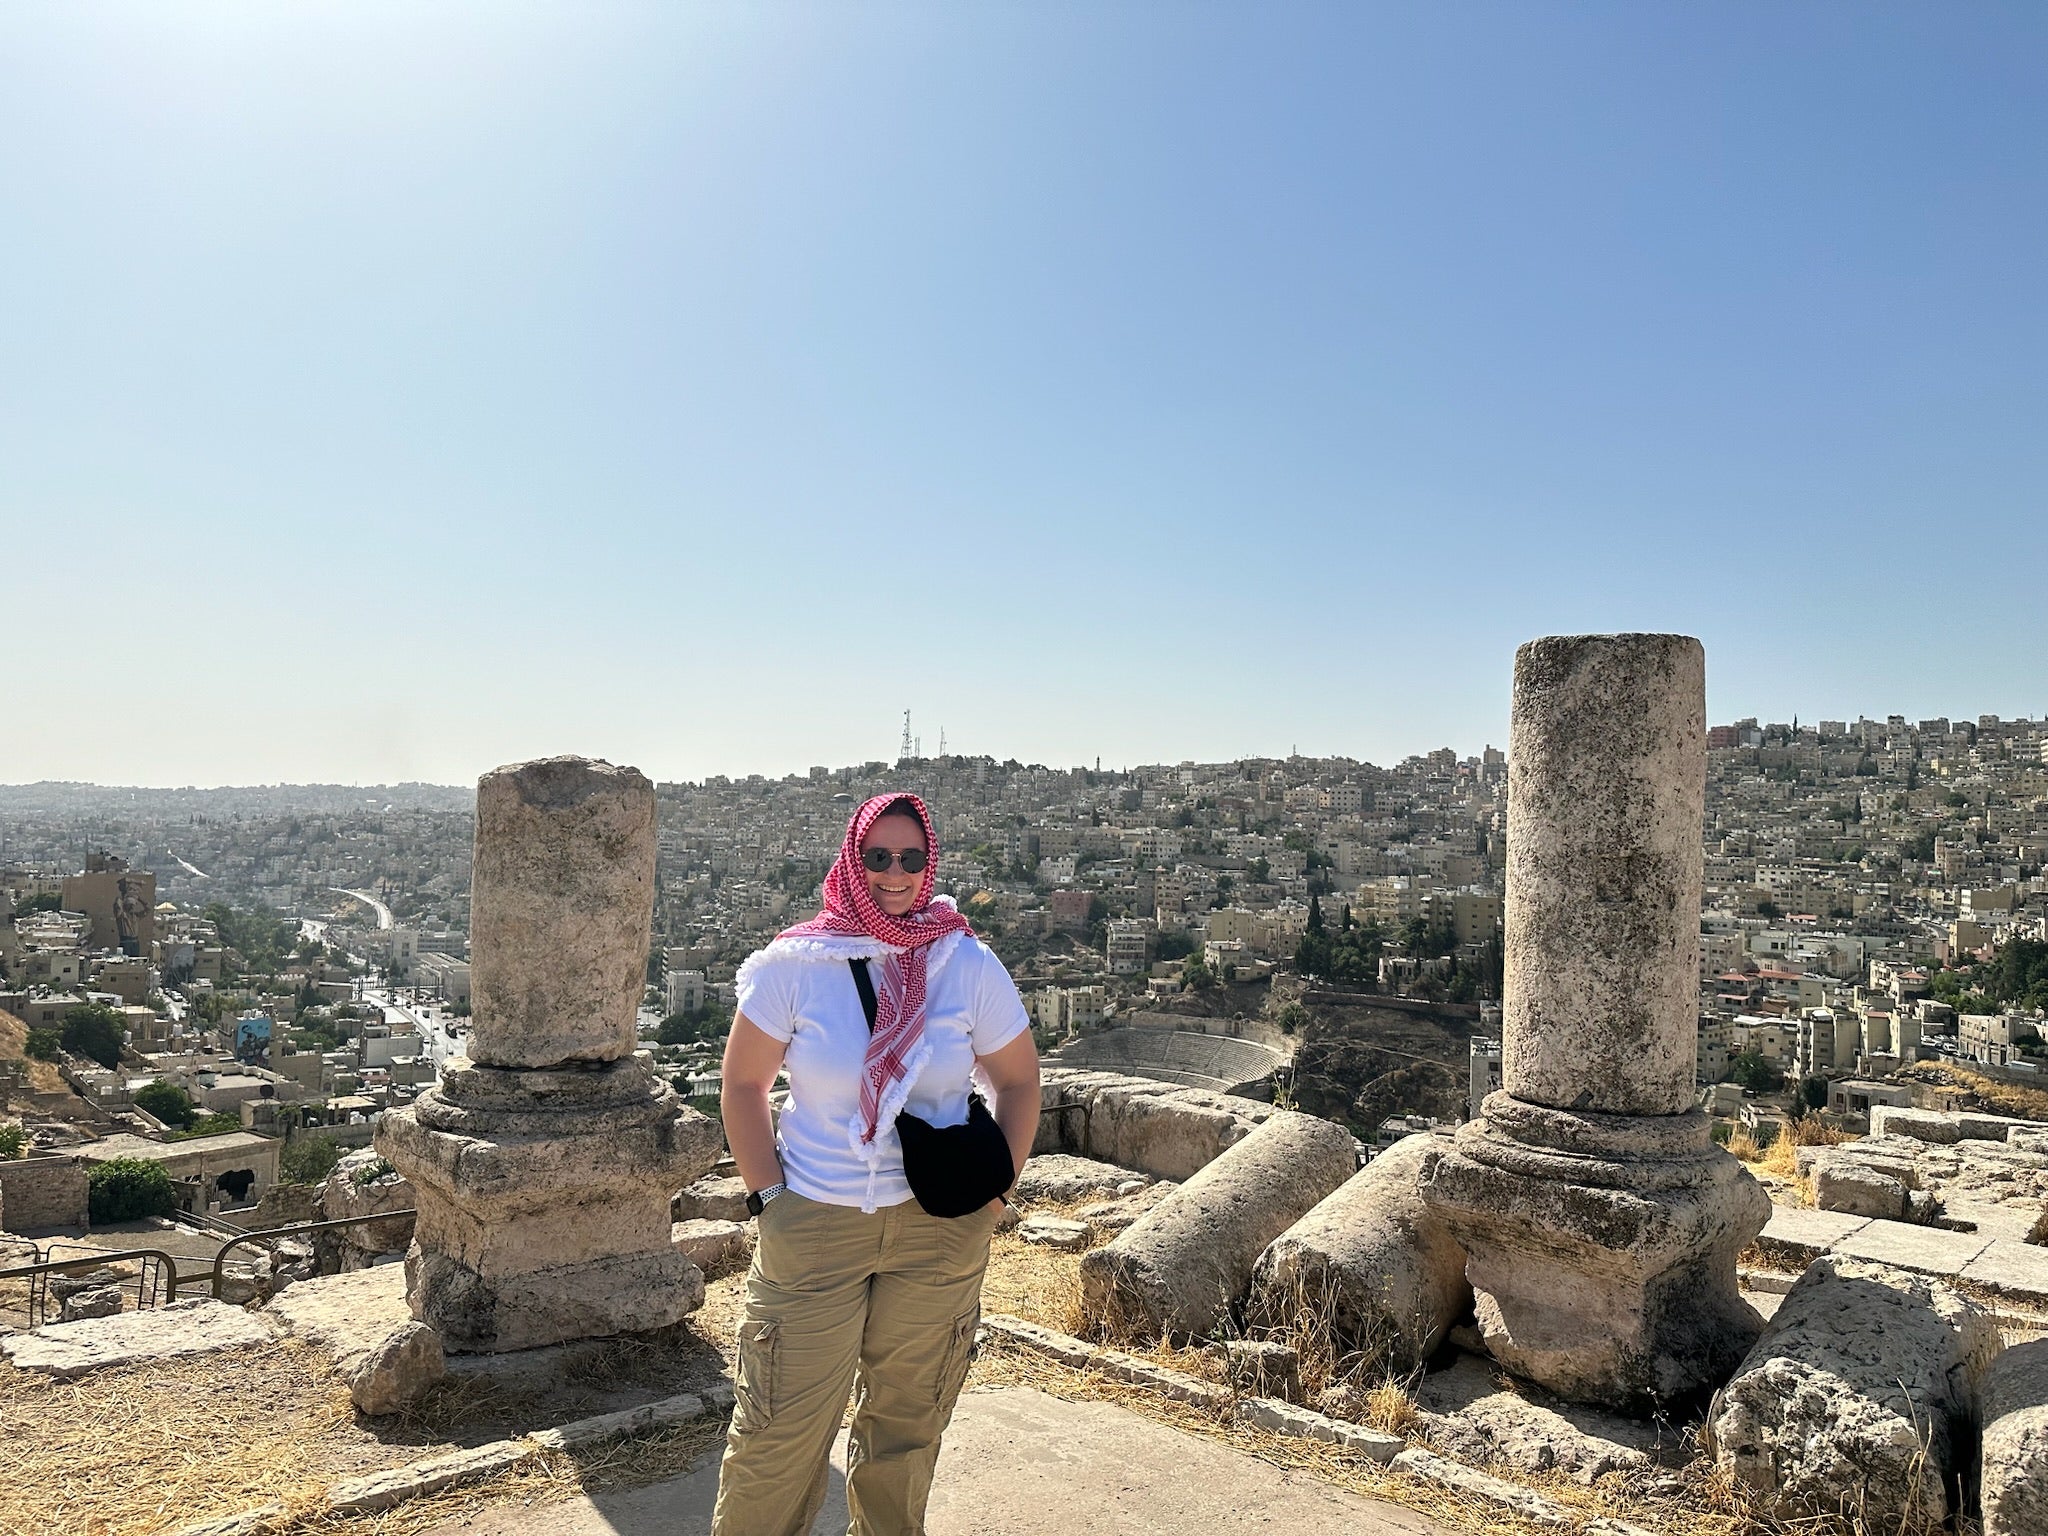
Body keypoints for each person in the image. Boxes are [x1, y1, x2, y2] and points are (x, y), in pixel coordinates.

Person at [711, 792, 1041, 1536]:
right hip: (816, 1223)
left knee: (907, 1433)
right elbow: (742, 1084)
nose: (895, 873)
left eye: (911, 857)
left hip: (937, 1229)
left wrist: (999, 1190)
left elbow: (1018, 1081)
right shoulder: (795, 964)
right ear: (852, 860)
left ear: (931, 865)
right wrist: (770, 1198)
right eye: (879, 857)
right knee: (777, 1437)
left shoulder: (965, 960)